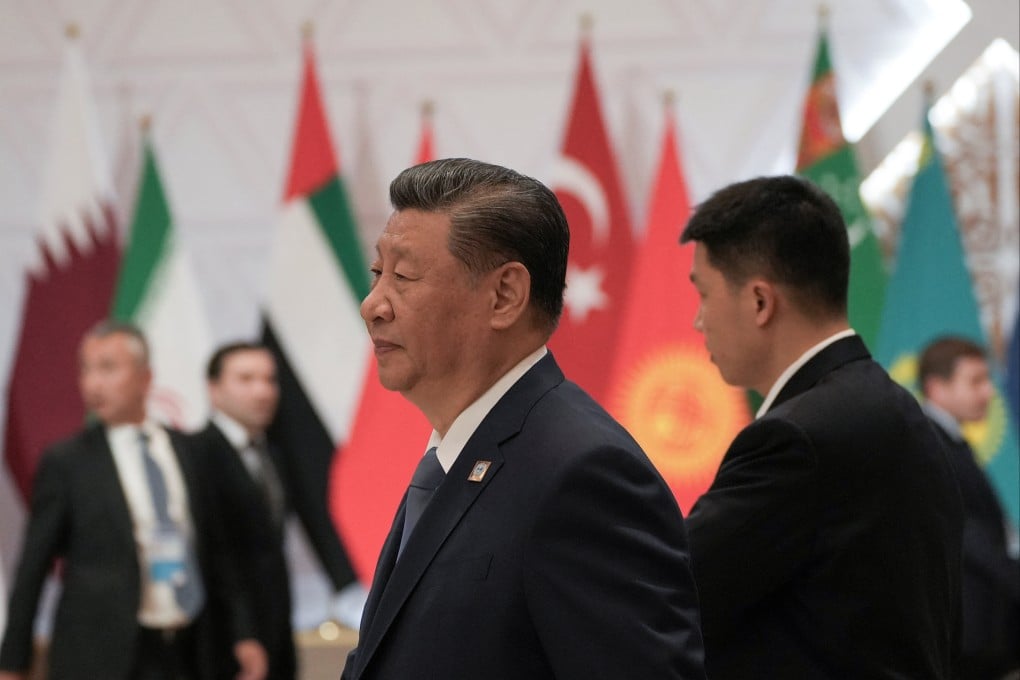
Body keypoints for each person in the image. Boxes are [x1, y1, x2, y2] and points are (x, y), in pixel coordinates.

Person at [342, 158, 706, 680]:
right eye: (378, 273)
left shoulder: (583, 473)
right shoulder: (456, 453)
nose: (372, 304)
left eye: (403, 276)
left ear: (505, 295)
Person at [680, 175, 963, 679]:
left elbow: (673, 595)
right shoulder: (888, 406)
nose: (699, 321)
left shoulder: (796, 439)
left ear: (760, 301)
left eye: (703, 294)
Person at [0, 321, 266, 680]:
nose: (93, 383)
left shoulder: (188, 450)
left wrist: (244, 633)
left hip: (189, 650)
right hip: (101, 656)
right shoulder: (68, 461)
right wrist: (13, 662)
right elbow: (33, 566)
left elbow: (219, 554)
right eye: (86, 369)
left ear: (145, 377)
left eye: (108, 368)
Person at [187, 342, 296, 680]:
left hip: (276, 635)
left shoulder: (272, 455)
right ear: (214, 389)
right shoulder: (196, 454)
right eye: (246, 379)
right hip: (223, 646)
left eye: (269, 379)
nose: (262, 391)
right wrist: (242, 634)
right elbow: (213, 559)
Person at [919, 336, 1020, 679]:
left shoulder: (951, 442)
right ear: (937, 388)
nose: (989, 392)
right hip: (968, 639)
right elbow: (966, 534)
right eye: (975, 381)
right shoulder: (931, 446)